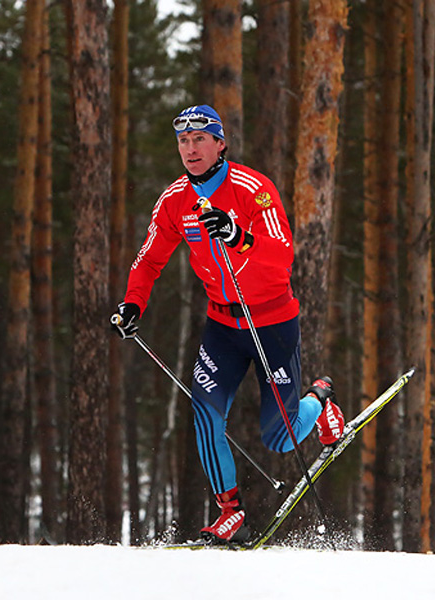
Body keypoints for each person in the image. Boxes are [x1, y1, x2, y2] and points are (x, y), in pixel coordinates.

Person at [111, 104, 345, 544]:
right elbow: (148, 260)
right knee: (205, 411)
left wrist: (238, 236)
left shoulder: (253, 188)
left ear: (221, 143)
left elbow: (281, 253)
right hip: (222, 326)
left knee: (280, 438)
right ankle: (230, 510)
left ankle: (320, 402)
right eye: (183, 140)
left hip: (273, 321)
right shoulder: (174, 200)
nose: (191, 148)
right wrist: (131, 305)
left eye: (200, 139)